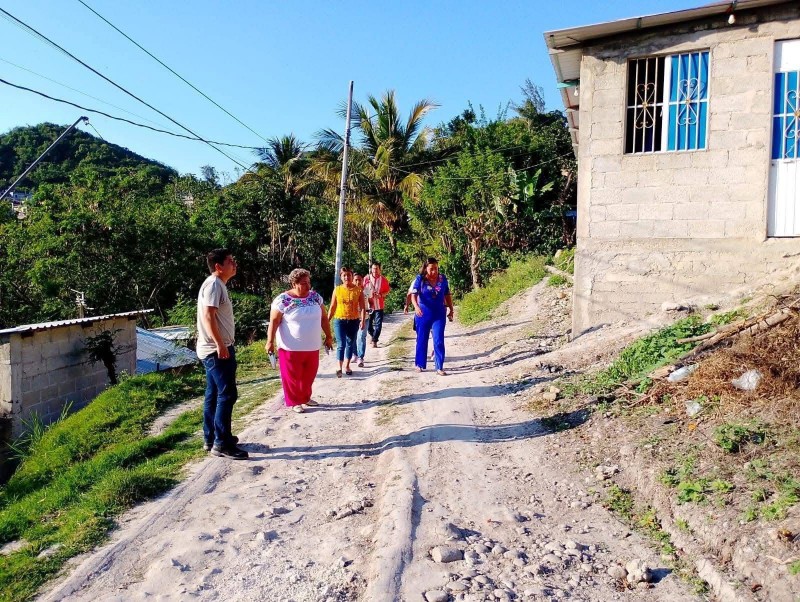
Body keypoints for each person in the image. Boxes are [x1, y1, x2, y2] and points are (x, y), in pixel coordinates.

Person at [197, 248, 249, 459]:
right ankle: (221, 443)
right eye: (230, 261)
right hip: (215, 350)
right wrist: (220, 344)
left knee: (214, 394)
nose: (234, 264)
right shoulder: (214, 284)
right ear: (218, 266)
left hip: (212, 348)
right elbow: (209, 316)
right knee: (227, 394)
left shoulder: (217, 284)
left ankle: (212, 437)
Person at [266, 268, 333, 414]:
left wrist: (328, 336)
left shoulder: (315, 297)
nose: (308, 286)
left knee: (309, 375)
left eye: (309, 282)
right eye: (303, 283)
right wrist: (269, 341)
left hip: (312, 346)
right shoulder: (282, 300)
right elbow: (274, 321)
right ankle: (295, 401)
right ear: (294, 284)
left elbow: (323, 318)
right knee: (292, 376)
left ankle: (305, 397)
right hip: (290, 347)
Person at [410, 257, 454, 375]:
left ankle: (439, 367)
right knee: (422, 340)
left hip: (439, 314)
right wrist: (416, 307)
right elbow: (413, 295)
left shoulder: (442, 279)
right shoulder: (420, 279)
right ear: (426, 268)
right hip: (423, 314)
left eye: (436, 268)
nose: (434, 271)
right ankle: (419, 364)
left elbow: (447, 294)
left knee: (438, 340)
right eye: (431, 269)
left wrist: (451, 309)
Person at [328, 267, 366, 377]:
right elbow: (332, 307)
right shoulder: (337, 290)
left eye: (348, 275)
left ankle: (347, 366)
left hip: (354, 321)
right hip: (339, 320)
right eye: (344, 275)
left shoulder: (358, 290)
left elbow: (362, 308)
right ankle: (339, 367)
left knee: (350, 344)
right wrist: (326, 321)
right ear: (341, 277)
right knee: (341, 344)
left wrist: (362, 320)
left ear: (352, 276)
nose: (346, 277)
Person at [363, 261, 391, 348]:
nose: (375, 270)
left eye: (376, 269)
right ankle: (373, 335)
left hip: (379, 306)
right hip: (369, 306)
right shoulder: (366, 279)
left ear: (380, 269)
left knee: (378, 325)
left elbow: (387, 291)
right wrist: (368, 294)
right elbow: (363, 289)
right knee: (369, 325)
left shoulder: (384, 280)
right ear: (371, 269)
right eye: (373, 268)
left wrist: (381, 295)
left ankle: (374, 340)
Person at [353, 273, 369, 367]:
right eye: (356, 280)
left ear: (363, 281)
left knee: (361, 337)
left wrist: (370, 308)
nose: (358, 282)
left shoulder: (366, 290)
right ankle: (355, 354)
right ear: (352, 281)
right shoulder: (350, 291)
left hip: (365, 318)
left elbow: (371, 301)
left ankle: (360, 357)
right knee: (353, 337)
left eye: (360, 280)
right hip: (353, 318)